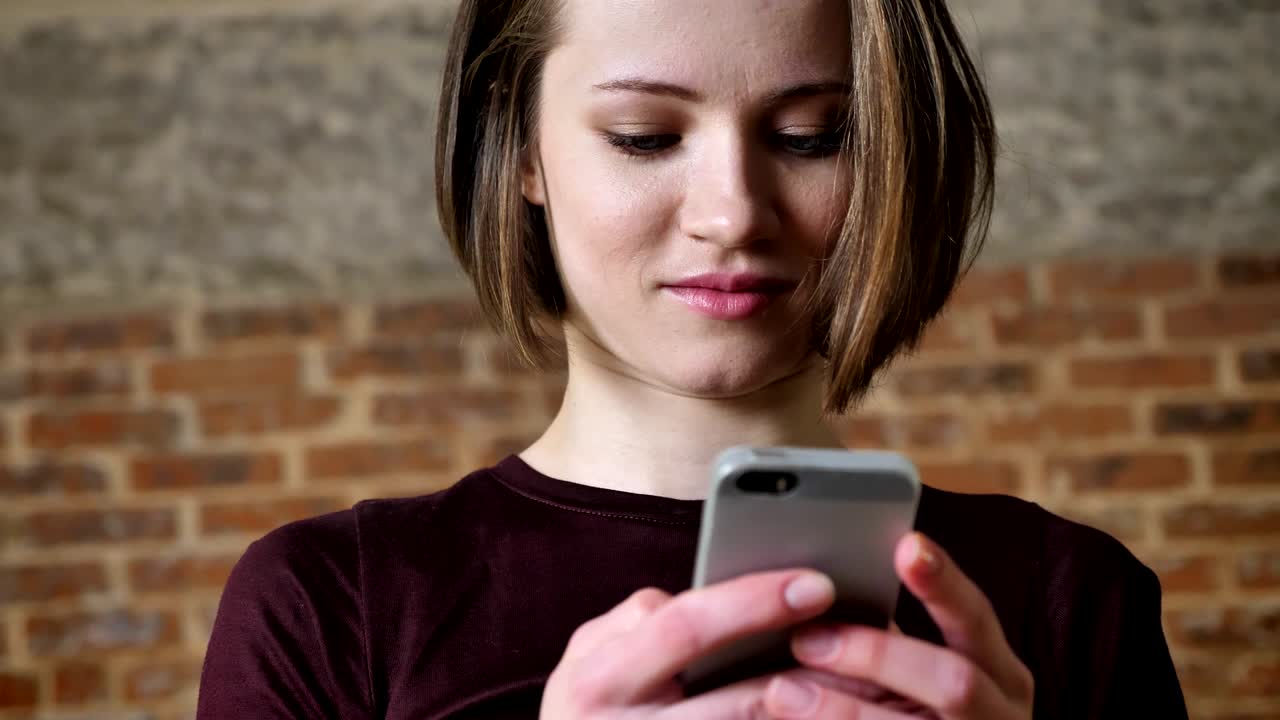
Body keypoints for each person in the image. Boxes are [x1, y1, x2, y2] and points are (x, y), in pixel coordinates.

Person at [196, 0, 1189, 717]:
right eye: (642, 137)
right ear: (523, 146)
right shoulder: (329, 607)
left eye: (813, 136)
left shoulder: (1071, 601)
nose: (732, 214)